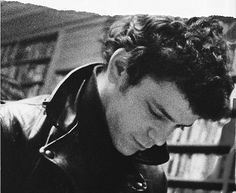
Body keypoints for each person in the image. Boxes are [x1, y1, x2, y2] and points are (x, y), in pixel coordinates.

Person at [1, 15, 234, 193]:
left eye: (177, 126)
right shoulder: (9, 129)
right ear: (121, 67)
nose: (160, 139)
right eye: (156, 112)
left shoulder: (153, 178)